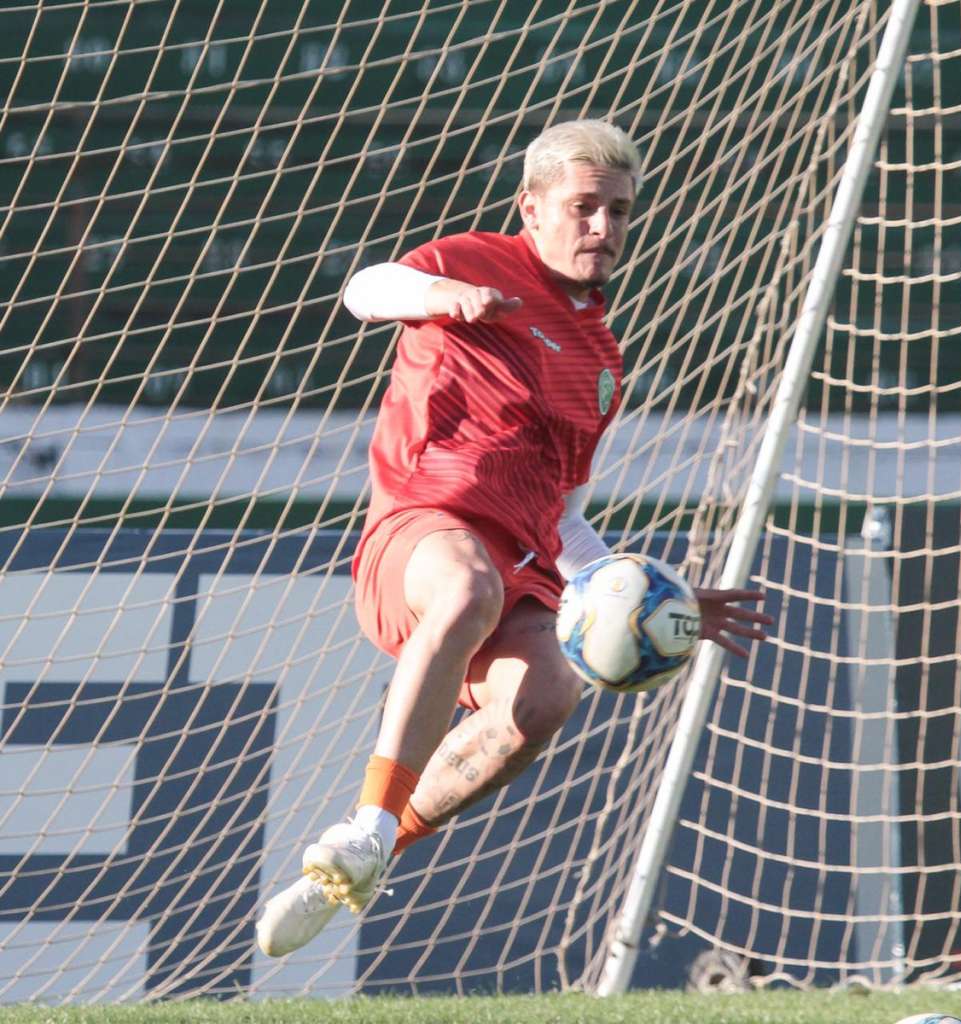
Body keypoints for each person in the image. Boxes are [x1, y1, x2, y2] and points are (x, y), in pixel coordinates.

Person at [256, 119, 772, 957]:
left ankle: (369, 848)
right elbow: (364, 290)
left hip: (522, 565)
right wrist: (435, 297)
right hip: (419, 536)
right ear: (531, 209)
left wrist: (643, 594)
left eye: (619, 211)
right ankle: (371, 819)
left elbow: (564, 512)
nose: (603, 228)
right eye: (583, 207)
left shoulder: (600, 355)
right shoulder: (475, 260)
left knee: (547, 697)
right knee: (466, 589)